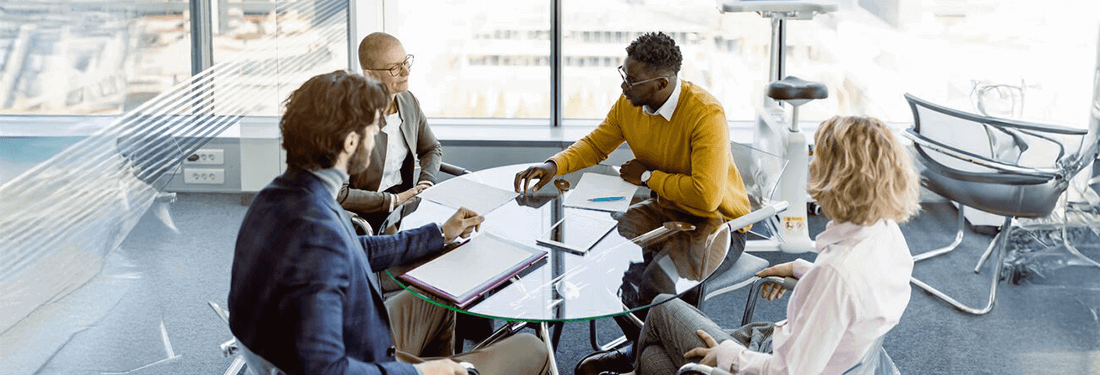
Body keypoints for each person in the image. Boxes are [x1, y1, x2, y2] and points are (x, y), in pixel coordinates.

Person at [228, 70, 548, 375]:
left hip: (359, 338)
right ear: (350, 143)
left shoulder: (279, 197)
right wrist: (421, 372)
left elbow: (355, 249)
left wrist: (440, 234)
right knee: (533, 349)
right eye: (373, 128)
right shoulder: (315, 235)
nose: (377, 135)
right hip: (360, 361)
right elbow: (323, 371)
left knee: (441, 294)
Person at [512, 32, 750, 374]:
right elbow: (597, 144)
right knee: (598, 261)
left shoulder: (704, 113)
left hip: (718, 222)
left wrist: (648, 177)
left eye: (632, 80)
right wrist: (554, 165)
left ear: (661, 83)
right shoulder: (630, 105)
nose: (624, 85)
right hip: (667, 208)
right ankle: (642, 351)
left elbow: (706, 195)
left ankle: (660, 361)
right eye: (623, 74)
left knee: (656, 284)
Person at [631, 115, 921, 375]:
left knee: (660, 308)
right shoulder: (887, 233)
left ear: (839, 178)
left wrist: (730, 357)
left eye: (817, 157)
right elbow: (859, 298)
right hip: (803, 349)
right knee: (653, 359)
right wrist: (804, 271)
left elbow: (791, 372)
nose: (811, 165)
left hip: (775, 363)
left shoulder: (835, 275)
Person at [338, 32, 443, 234]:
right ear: (370, 75)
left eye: (405, 62)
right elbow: (339, 194)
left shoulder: (408, 101)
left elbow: (431, 148)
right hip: (360, 217)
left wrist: (426, 182)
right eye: (395, 68)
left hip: (403, 209)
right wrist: (394, 200)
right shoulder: (347, 117)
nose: (406, 72)